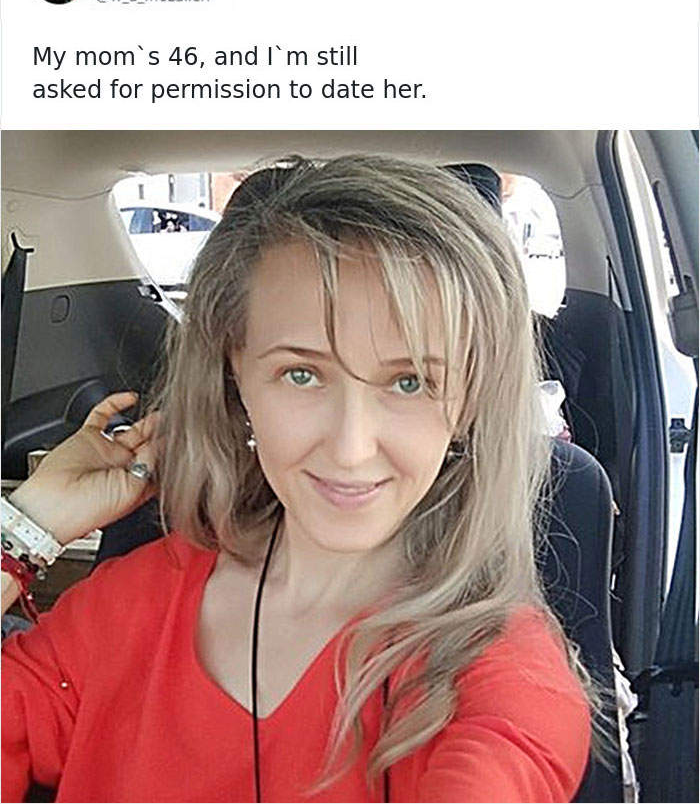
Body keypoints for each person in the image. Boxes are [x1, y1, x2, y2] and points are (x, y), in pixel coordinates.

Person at [2, 155, 594, 802]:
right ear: (237, 376)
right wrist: (29, 524)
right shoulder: (131, 603)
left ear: (471, 400)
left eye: (409, 382)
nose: (350, 448)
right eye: (301, 374)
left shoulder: (497, 679)